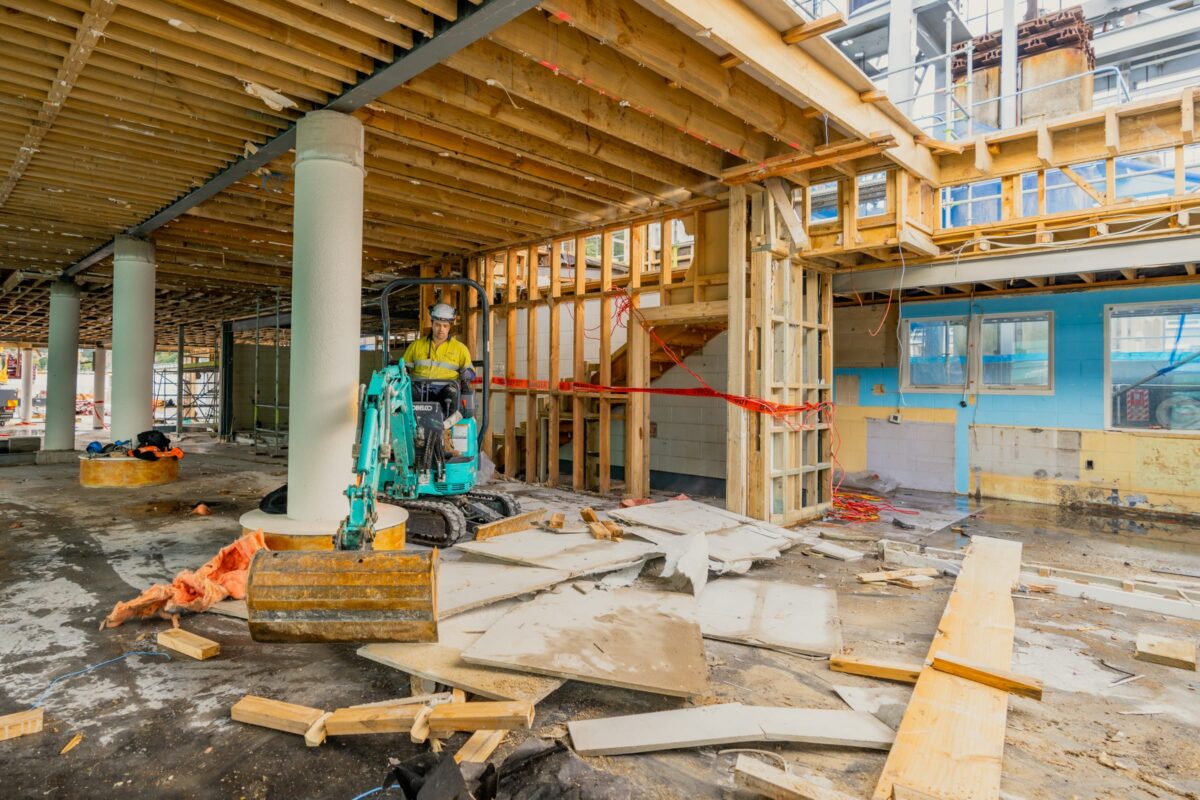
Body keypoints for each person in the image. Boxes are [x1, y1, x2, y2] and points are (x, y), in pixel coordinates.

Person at [402, 302, 476, 453]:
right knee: (405, 398)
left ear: (450, 327)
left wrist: (467, 374)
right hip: (420, 387)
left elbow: (471, 372)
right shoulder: (416, 346)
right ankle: (412, 435)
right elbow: (403, 370)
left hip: (446, 388)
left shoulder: (460, 349)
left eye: (445, 325)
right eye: (437, 325)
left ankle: (444, 433)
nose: (441, 329)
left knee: (454, 397)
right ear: (432, 323)